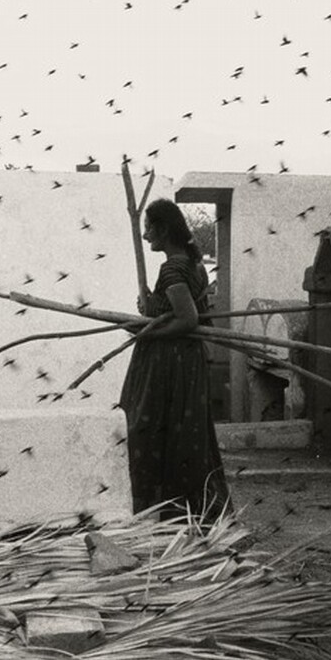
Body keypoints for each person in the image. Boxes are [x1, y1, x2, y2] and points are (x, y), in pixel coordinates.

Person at [120, 198, 231, 523]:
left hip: (167, 364)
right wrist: (150, 308)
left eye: (149, 229)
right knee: (183, 434)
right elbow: (178, 313)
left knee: (148, 428)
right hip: (187, 361)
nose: (145, 237)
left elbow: (187, 320)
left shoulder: (172, 267)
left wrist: (145, 334)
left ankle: (162, 514)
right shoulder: (194, 265)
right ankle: (183, 513)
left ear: (164, 229)